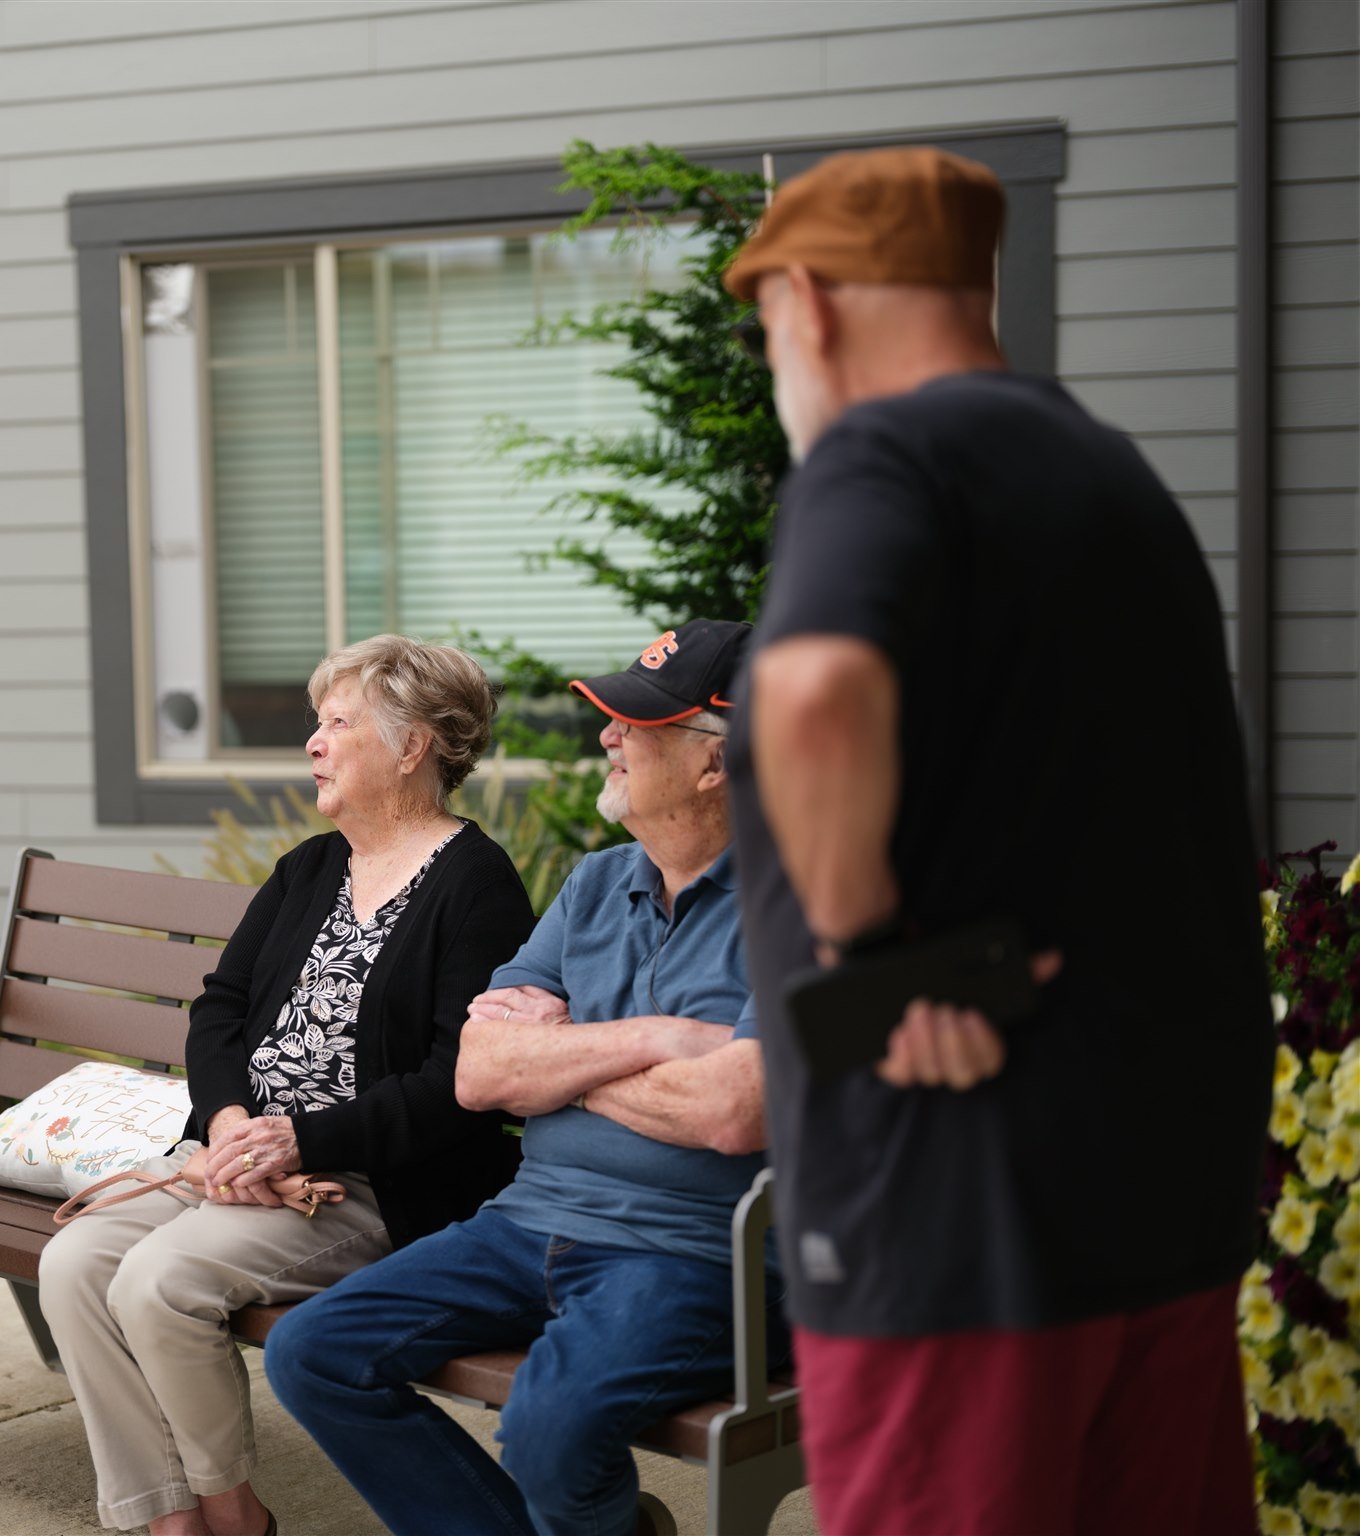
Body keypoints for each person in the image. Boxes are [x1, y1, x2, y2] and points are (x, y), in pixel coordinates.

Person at [721, 146, 1270, 1534]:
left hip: (958, 1217)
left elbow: (813, 688)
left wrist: (867, 957)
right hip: (1159, 1197)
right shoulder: (1112, 478)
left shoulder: (886, 451)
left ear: (808, 301)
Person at [263, 619, 784, 1536]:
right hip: (524, 1224)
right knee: (313, 1350)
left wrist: (563, 1058)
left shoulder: (802, 906)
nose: (608, 737)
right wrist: (660, 1038)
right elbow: (477, 1071)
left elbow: (732, 1109)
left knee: (548, 1425)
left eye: (637, 722)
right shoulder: (595, 885)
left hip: (693, 1254)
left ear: (716, 763)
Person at [37, 635, 535, 1536]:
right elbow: (219, 1010)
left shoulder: (476, 886)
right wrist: (232, 1124)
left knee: (159, 1283)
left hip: (363, 1186)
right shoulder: (312, 866)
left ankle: (233, 1514)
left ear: (413, 745)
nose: (313, 742)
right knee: (74, 1263)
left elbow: (458, 1082)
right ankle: (166, 1518)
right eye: (318, 723)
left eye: (337, 723)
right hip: (238, 1159)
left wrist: (302, 1142)